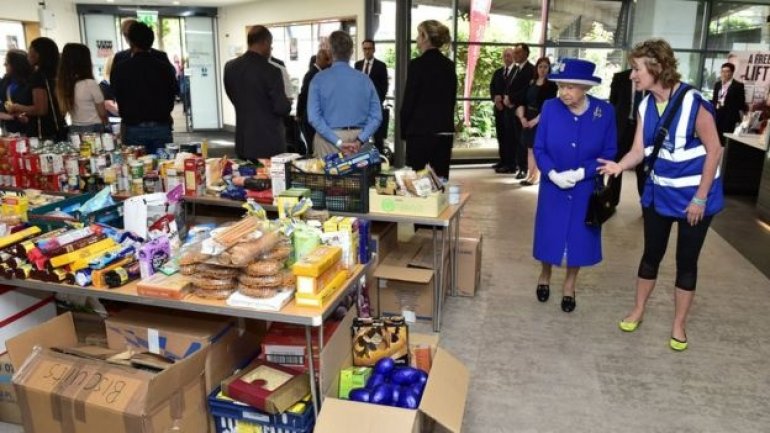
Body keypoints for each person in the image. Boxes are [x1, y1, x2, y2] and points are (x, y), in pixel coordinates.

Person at [597, 39, 724, 351]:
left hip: (695, 197)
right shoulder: (644, 104)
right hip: (660, 193)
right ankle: (639, 309)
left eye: (636, 69)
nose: (632, 76)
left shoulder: (694, 101)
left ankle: (679, 324)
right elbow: (639, 150)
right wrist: (619, 165)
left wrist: (700, 198)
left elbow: (715, 150)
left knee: (686, 261)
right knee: (651, 255)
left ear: (656, 68)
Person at [532, 58, 617, 313]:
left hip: (584, 188)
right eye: (562, 87)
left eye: (571, 87)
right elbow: (539, 148)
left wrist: (583, 172)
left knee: (579, 237)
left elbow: (609, 150)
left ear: (586, 88)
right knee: (550, 233)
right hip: (553, 185)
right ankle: (545, 275)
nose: (564, 93)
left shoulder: (604, 112)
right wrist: (552, 173)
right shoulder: (550, 108)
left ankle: (570, 285)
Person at [308, 30, 381, 158]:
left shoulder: (318, 79)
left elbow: (314, 117)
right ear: (352, 52)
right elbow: (376, 117)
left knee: (326, 178)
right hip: (358, 140)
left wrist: (338, 141)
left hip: (328, 139)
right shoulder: (365, 80)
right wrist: (360, 139)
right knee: (358, 178)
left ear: (330, 52)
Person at [224, 25, 291, 160]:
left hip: (243, 140)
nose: (270, 50)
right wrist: (287, 103)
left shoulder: (230, 67)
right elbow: (281, 108)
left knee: (244, 178)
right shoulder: (272, 71)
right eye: (270, 45)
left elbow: (232, 95)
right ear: (265, 43)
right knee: (268, 180)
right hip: (268, 142)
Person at [400, 20, 457, 179]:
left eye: (419, 34)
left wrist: (404, 131)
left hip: (420, 132)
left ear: (425, 37)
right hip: (444, 131)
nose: (417, 38)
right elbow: (451, 99)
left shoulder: (417, 65)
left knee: (418, 182)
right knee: (441, 180)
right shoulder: (449, 65)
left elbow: (409, 100)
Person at [111, 21, 176, 154]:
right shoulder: (164, 67)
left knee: (136, 169)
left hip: (133, 126)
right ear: (151, 41)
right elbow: (173, 91)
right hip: (161, 125)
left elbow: (116, 93)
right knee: (163, 168)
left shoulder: (121, 68)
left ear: (130, 41)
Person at [7, 37, 66, 141]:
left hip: (42, 133)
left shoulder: (38, 77)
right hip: (58, 127)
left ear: (38, 54)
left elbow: (41, 109)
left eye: (30, 50)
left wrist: (17, 107)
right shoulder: (57, 74)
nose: (28, 54)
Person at [516, 57, 557, 186]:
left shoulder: (551, 85)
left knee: (537, 149)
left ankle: (536, 176)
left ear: (549, 69)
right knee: (529, 149)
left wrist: (535, 121)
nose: (543, 69)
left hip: (541, 119)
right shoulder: (532, 82)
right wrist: (522, 118)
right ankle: (530, 174)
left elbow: (548, 107)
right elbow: (522, 101)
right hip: (528, 117)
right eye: (540, 66)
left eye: (545, 67)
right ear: (537, 68)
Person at [609, 68, 646, 201]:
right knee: (616, 163)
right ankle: (611, 201)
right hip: (623, 128)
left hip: (643, 128)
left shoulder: (651, 78)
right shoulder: (620, 77)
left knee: (643, 168)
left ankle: (645, 203)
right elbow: (612, 103)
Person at [56, 43, 108, 134]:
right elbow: (102, 113)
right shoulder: (90, 83)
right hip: (94, 128)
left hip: (74, 129)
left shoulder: (63, 85)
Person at [500, 43, 535, 177]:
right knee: (513, 139)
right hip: (511, 109)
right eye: (514, 52)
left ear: (526, 54)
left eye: (518, 52)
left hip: (523, 111)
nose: (515, 55)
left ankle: (524, 168)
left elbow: (526, 90)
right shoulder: (515, 69)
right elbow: (509, 86)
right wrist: (506, 98)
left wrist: (512, 99)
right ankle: (515, 165)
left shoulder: (531, 70)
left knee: (522, 141)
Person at [355, 39, 389, 153]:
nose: (367, 51)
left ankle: (379, 162)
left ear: (374, 49)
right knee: (360, 137)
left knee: (378, 138)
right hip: (360, 109)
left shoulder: (381, 66)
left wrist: (377, 102)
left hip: (375, 108)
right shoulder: (358, 65)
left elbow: (384, 86)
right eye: (365, 49)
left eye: (369, 49)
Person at [297, 48, 332, 155]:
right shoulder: (312, 74)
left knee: (316, 148)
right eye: (326, 59)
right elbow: (303, 95)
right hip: (309, 118)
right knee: (313, 148)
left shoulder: (320, 74)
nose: (329, 62)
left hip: (313, 117)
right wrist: (299, 114)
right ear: (318, 59)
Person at [489, 48, 515, 171]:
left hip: (510, 110)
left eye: (509, 55)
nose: (507, 58)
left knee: (510, 137)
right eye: (505, 55)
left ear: (513, 57)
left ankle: (510, 163)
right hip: (499, 109)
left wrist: (504, 100)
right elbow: (492, 87)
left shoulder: (516, 72)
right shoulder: (498, 72)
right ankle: (502, 160)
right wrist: (495, 98)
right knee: (501, 136)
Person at [711, 62, 745, 145]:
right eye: (722, 71)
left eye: (727, 71)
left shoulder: (738, 86)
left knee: (725, 141)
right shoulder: (717, 84)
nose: (724, 74)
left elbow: (741, 103)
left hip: (729, 117)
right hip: (718, 115)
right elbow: (714, 99)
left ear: (732, 73)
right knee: (715, 138)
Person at [0, 49, 33, 134]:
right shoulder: (4, 81)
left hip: (28, 130)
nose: (4, 65)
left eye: (7, 62)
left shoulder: (32, 83)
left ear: (16, 65)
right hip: (8, 130)